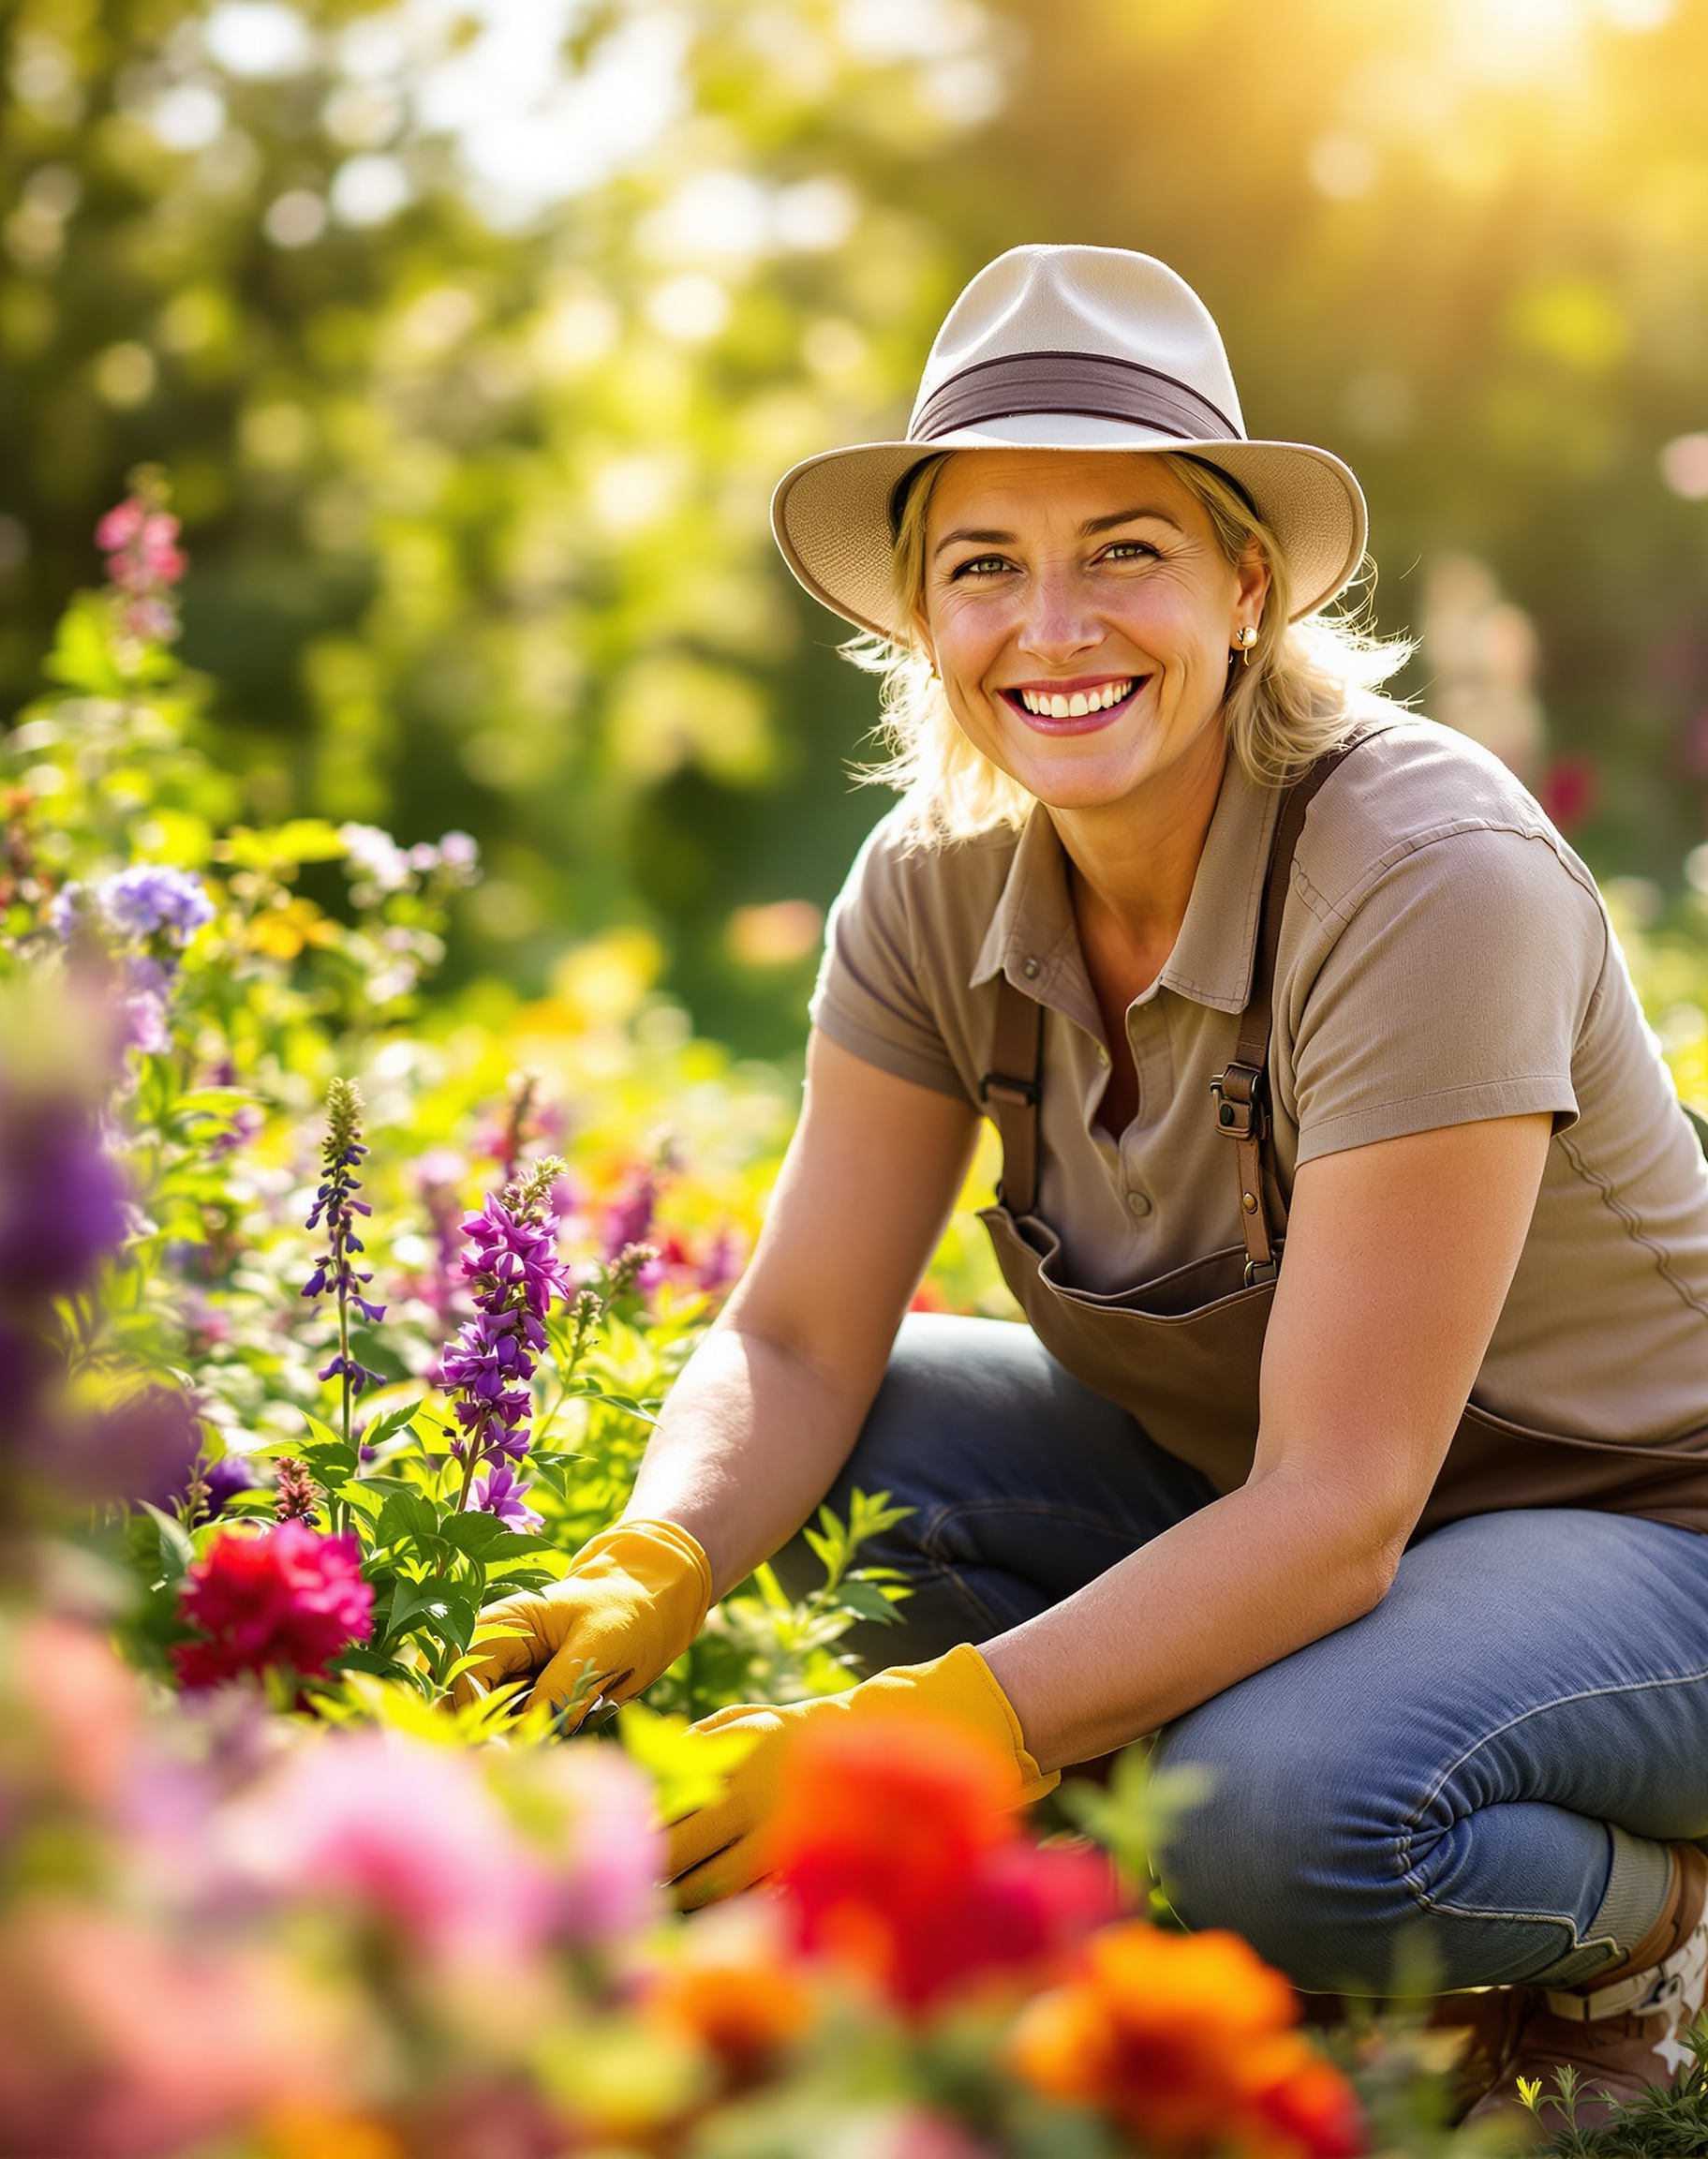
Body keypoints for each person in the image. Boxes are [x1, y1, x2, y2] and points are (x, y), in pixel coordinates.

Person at [468, 246, 1708, 2124]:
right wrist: (655, 1555)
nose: (1053, 627)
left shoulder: (1420, 872)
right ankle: (1113, 1927)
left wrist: (941, 1730)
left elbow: (1339, 1506)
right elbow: (798, 1334)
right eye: (983, 566)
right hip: (1313, 1502)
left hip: (1645, 1527)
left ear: (1246, 584)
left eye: (1123, 549)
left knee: (1274, 1808)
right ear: (918, 617)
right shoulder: (933, 881)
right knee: (853, 1461)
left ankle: (1651, 1928)